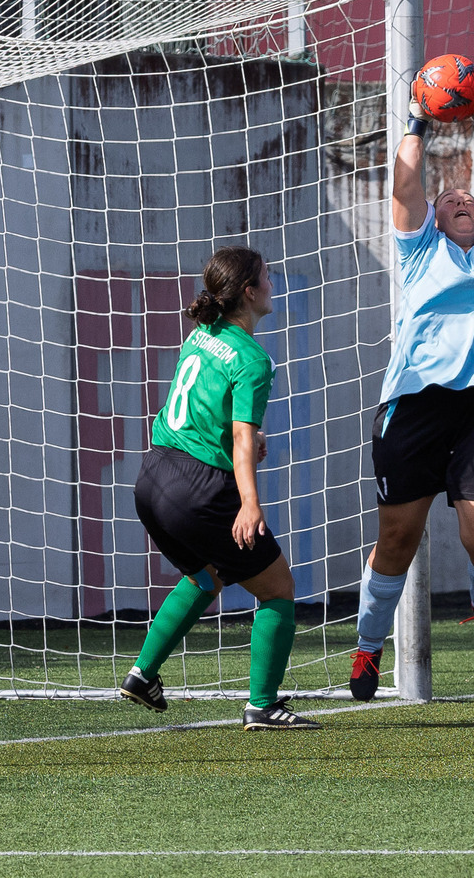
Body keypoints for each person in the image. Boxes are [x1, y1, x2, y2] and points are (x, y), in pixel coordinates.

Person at [349, 70, 474, 700]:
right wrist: (416, 122)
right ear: (432, 216)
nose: (459, 199)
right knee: (397, 539)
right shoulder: (419, 251)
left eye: (468, 199)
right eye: (447, 198)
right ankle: (369, 647)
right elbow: (403, 186)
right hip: (414, 404)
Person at [120, 245, 321, 731]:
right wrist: (250, 502)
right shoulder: (254, 359)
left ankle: (142, 674)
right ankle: (262, 706)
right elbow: (238, 435)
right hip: (199, 487)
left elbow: (210, 413)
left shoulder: (201, 334)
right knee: (278, 590)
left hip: (152, 475)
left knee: (206, 575)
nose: (272, 286)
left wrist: (248, 439)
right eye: (267, 279)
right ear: (249, 293)